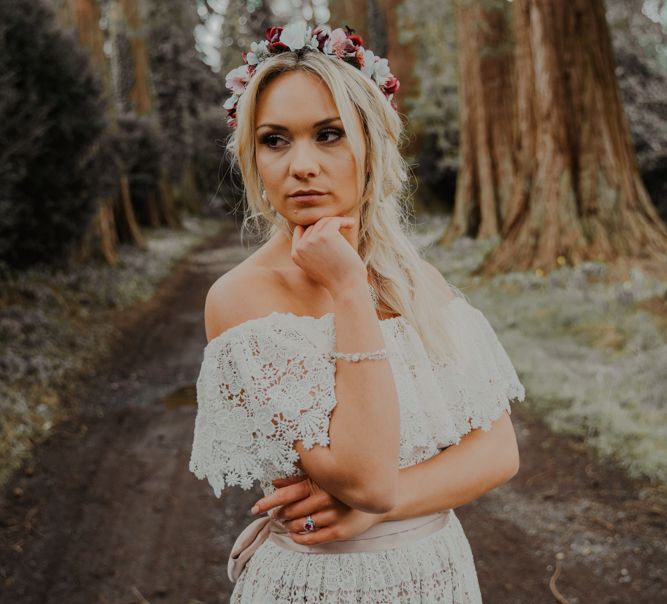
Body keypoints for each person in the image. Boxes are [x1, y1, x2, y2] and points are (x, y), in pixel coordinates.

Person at [189, 22, 526, 603]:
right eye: (275, 140)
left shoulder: (418, 282)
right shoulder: (242, 299)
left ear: (372, 144)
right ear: (252, 157)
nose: (301, 165)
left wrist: (377, 511)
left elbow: (498, 452)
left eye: (329, 134)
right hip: (318, 583)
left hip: (436, 575)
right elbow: (364, 476)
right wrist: (347, 287)